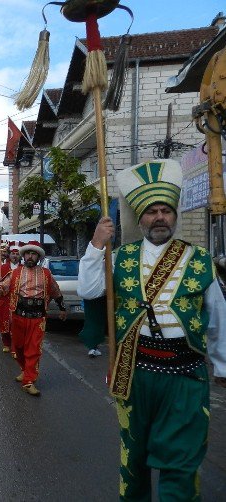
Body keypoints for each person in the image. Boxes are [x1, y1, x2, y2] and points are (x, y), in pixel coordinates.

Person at [77, 159, 226, 500]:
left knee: (183, 461)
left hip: (185, 376)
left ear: (175, 216)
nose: (160, 217)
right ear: (140, 218)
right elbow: (88, 291)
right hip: (135, 373)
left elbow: (217, 315)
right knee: (134, 460)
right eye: (151, 211)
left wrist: (222, 363)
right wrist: (96, 245)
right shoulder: (120, 256)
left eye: (166, 211)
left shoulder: (199, 259)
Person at [0, 240, 66, 396]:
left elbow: (56, 291)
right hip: (19, 316)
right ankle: (24, 369)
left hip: (38, 318)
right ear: (24, 255)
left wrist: (62, 308)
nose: (30, 256)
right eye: (27, 253)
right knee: (18, 348)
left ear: (38, 257)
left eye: (33, 254)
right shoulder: (15, 273)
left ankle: (29, 380)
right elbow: (2, 286)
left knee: (33, 349)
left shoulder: (46, 274)